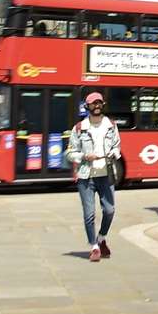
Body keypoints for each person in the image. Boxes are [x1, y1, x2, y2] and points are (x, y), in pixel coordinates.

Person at [69, 91, 122, 262]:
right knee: (89, 214)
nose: (97, 106)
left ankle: (101, 237)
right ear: (87, 106)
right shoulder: (79, 128)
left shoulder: (111, 126)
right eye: (93, 103)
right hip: (86, 176)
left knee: (109, 210)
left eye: (99, 103)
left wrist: (112, 154)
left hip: (106, 174)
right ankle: (94, 247)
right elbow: (70, 152)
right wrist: (84, 156)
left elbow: (116, 146)